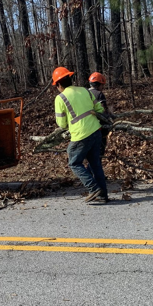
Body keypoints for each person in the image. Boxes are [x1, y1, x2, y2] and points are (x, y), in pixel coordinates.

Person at [52, 67, 109, 204]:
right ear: (70, 79)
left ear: (58, 84)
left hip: (80, 135)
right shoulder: (85, 90)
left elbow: (61, 123)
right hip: (96, 131)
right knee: (95, 164)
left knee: (74, 162)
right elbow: (99, 109)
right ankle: (102, 196)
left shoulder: (60, 98)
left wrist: (69, 126)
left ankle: (93, 188)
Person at [88, 72, 114, 155]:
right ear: (98, 85)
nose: (103, 87)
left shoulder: (85, 93)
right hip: (99, 127)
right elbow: (103, 110)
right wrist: (111, 119)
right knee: (99, 153)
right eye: (102, 85)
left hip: (87, 127)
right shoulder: (99, 94)